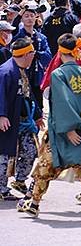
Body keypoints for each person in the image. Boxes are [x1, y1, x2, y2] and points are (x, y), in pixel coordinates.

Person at [17, 34, 81, 220]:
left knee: (45, 166)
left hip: (64, 131)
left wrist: (69, 128)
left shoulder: (58, 74)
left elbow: (62, 103)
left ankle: (34, 204)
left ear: (60, 50)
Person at [0, 38, 40, 201]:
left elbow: (29, 94)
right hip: (8, 120)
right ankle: (1, 188)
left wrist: (37, 115)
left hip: (23, 120)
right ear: (25, 54)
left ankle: (20, 180)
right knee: (3, 155)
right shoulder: (6, 72)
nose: (33, 56)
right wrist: (1, 115)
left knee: (31, 150)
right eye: (32, 53)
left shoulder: (23, 69)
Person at [13, 3, 52, 110]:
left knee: (38, 106)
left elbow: (48, 56)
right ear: (22, 19)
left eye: (32, 15)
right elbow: (13, 28)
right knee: (22, 106)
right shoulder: (18, 35)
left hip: (37, 75)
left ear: (36, 17)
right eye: (26, 16)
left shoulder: (41, 37)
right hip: (21, 75)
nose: (29, 18)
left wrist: (36, 53)